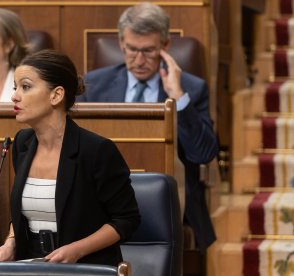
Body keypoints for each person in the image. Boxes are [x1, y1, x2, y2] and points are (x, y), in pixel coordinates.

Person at [77, 2, 218, 252]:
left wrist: (178, 97)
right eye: (132, 49)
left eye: (149, 51)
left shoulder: (191, 88)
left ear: (165, 46)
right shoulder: (94, 85)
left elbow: (203, 153)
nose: (139, 60)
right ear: (121, 42)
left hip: (169, 201)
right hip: (102, 198)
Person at [0, 49, 140, 266]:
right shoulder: (22, 143)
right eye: (15, 87)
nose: (15, 96)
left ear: (56, 95)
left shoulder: (96, 150)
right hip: (31, 265)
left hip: (86, 267)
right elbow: (24, 213)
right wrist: (11, 242)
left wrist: (77, 250)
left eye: (26, 87)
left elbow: (126, 220)